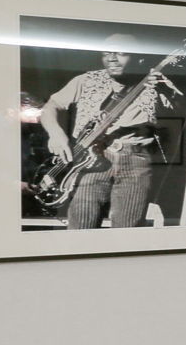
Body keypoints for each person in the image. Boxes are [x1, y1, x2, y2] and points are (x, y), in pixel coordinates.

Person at [38, 32, 178, 229]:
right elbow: (50, 107)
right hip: (90, 158)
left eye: (120, 53)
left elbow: (177, 112)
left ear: (138, 57)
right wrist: (55, 134)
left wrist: (166, 89)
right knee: (80, 227)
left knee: (128, 232)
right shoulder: (86, 80)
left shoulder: (156, 82)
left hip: (135, 159)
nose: (111, 59)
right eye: (106, 53)